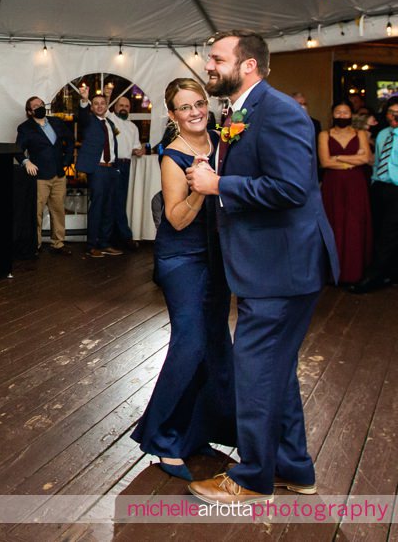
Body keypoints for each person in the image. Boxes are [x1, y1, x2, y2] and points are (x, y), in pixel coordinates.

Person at [186, 30, 338, 504]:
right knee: (276, 370)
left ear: (247, 65)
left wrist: (219, 186)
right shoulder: (244, 110)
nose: (208, 65)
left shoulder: (281, 113)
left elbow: (292, 187)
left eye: (216, 58)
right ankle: (294, 468)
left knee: (255, 371)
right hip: (269, 265)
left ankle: (251, 479)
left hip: (281, 268)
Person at [131, 78, 235, 480]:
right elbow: (175, 217)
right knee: (189, 343)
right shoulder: (171, 156)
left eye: (199, 104)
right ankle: (162, 436)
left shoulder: (222, 142)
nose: (194, 112)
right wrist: (200, 188)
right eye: (184, 107)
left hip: (217, 257)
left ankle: (197, 431)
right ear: (172, 116)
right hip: (182, 258)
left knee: (214, 344)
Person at [317, 102, 373, 284]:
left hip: (356, 184)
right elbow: (325, 162)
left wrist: (339, 158)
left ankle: (353, 272)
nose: (342, 115)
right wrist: (352, 161)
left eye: (346, 112)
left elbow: (366, 158)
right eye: (338, 112)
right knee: (334, 223)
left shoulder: (361, 134)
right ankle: (333, 271)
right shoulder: (324, 135)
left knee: (355, 225)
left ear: (352, 114)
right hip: (333, 185)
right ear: (333, 115)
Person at [348, 97, 398, 293]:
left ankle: (373, 276)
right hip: (378, 186)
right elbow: (376, 160)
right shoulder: (383, 134)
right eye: (392, 112)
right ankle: (389, 274)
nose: (395, 116)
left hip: (397, 189)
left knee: (388, 233)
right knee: (378, 230)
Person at [15, 96, 75, 255]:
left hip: (58, 175)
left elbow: (70, 140)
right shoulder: (25, 128)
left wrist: (67, 160)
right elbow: (17, 150)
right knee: (36, 213)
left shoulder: (56, 122)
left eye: (41, 104)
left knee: (58, 210)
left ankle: (58, 244)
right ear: (29, 111)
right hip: (40, 177)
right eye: (35, 106)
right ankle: (35, 245)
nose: (39, 106)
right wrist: (26, 161)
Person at [77, 95, 123, 258]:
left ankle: (104, 243)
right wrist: (84, 100)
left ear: (106, 106)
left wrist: (116, 167)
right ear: (91, 107)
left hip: (111, 169)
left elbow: (113, 146)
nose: (99, 106)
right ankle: (91, 245)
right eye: (95, 104)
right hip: (97, 169)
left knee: (109, 207)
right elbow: (81, 116)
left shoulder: (110, 123)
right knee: (97, 206)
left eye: (102, 103)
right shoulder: (89, 121)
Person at [108, 95, 145, 250]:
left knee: (121, 200)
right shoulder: (110, 120)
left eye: (127, 106)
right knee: (113, 201)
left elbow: (136, 148)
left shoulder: (133, 127)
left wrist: (141, 150)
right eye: (121, 105)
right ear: (115, 108)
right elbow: (104, 111)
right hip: (112, 165)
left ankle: (117, 237)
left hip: (126, 165)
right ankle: (124, 236)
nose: (124, 108)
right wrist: (108, 94)